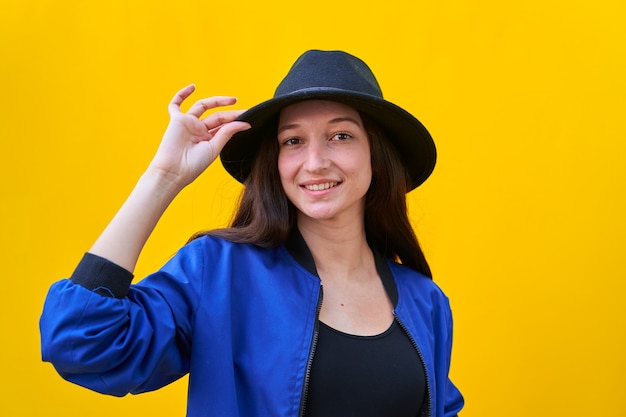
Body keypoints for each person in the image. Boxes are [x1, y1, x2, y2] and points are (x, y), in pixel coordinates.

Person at [40, 50, 464, 417]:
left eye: (340, 136)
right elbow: (82, 339)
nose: (314, 162)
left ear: (376, 155)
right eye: (293, 141)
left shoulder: (426, 302)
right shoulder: (219, 272)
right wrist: (162, 178)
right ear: (275, 161)